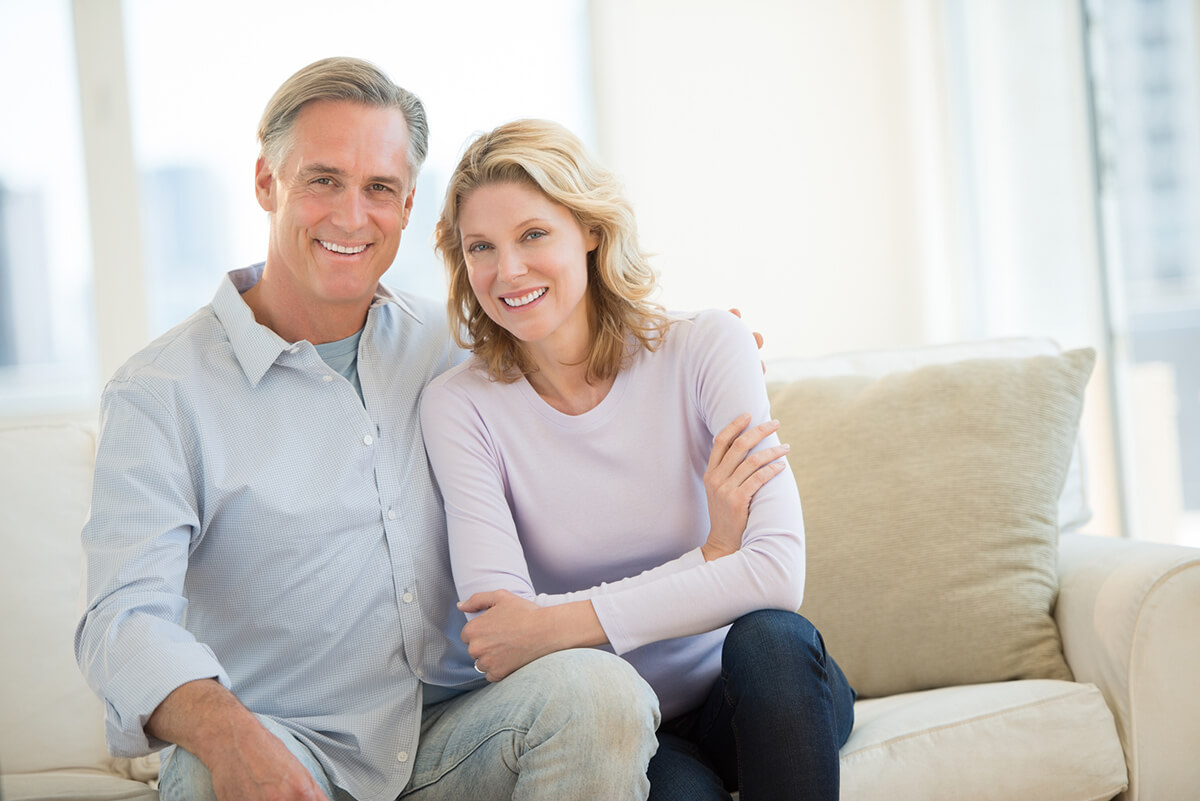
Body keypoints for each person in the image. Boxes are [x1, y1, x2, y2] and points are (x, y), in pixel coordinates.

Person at [73, 58, 661, 801]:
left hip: (460, 730)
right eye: (323, 180)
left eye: (379, 188)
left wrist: (686, 355)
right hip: (288, 742)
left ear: (409, 205)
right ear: (266, 183)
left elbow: (581, 357)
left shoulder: (453, 345)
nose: (352, 216)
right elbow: (121, 621)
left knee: (602, 694)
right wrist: (229, 733)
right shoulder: (159, 393)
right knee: (203, 773)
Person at [419, 119, 856, 801]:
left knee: (770, 637)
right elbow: (501, 639)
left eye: (534, 234)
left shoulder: (708, 346)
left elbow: (775, 575)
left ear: (590, 230)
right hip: (638, 722)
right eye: (482, 247)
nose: (508, 271)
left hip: (762, 688)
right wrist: (711, 558)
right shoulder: (459, 406)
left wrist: (553, 622)